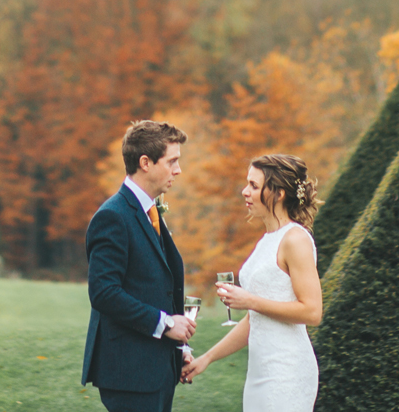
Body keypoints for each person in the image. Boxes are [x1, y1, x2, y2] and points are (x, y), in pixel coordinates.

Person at [183, 153, 322, 412]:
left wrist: (249, 300)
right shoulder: (267, 240)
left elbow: (312, 312)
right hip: (260, 372)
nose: (245, 192)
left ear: (278, 193)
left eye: (254, 186)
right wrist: (206, 359)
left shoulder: (295, 239)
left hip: (286, 371)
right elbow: (254, 320)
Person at [83, 120, 195, 412]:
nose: (178, 170)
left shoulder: (152, 210)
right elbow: (104, 292)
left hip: (157, 368)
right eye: (172, 161)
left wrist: (178, 347)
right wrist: (167, 324)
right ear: (146, 162)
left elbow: (156, 284)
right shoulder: (113, 217)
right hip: (129, 373)